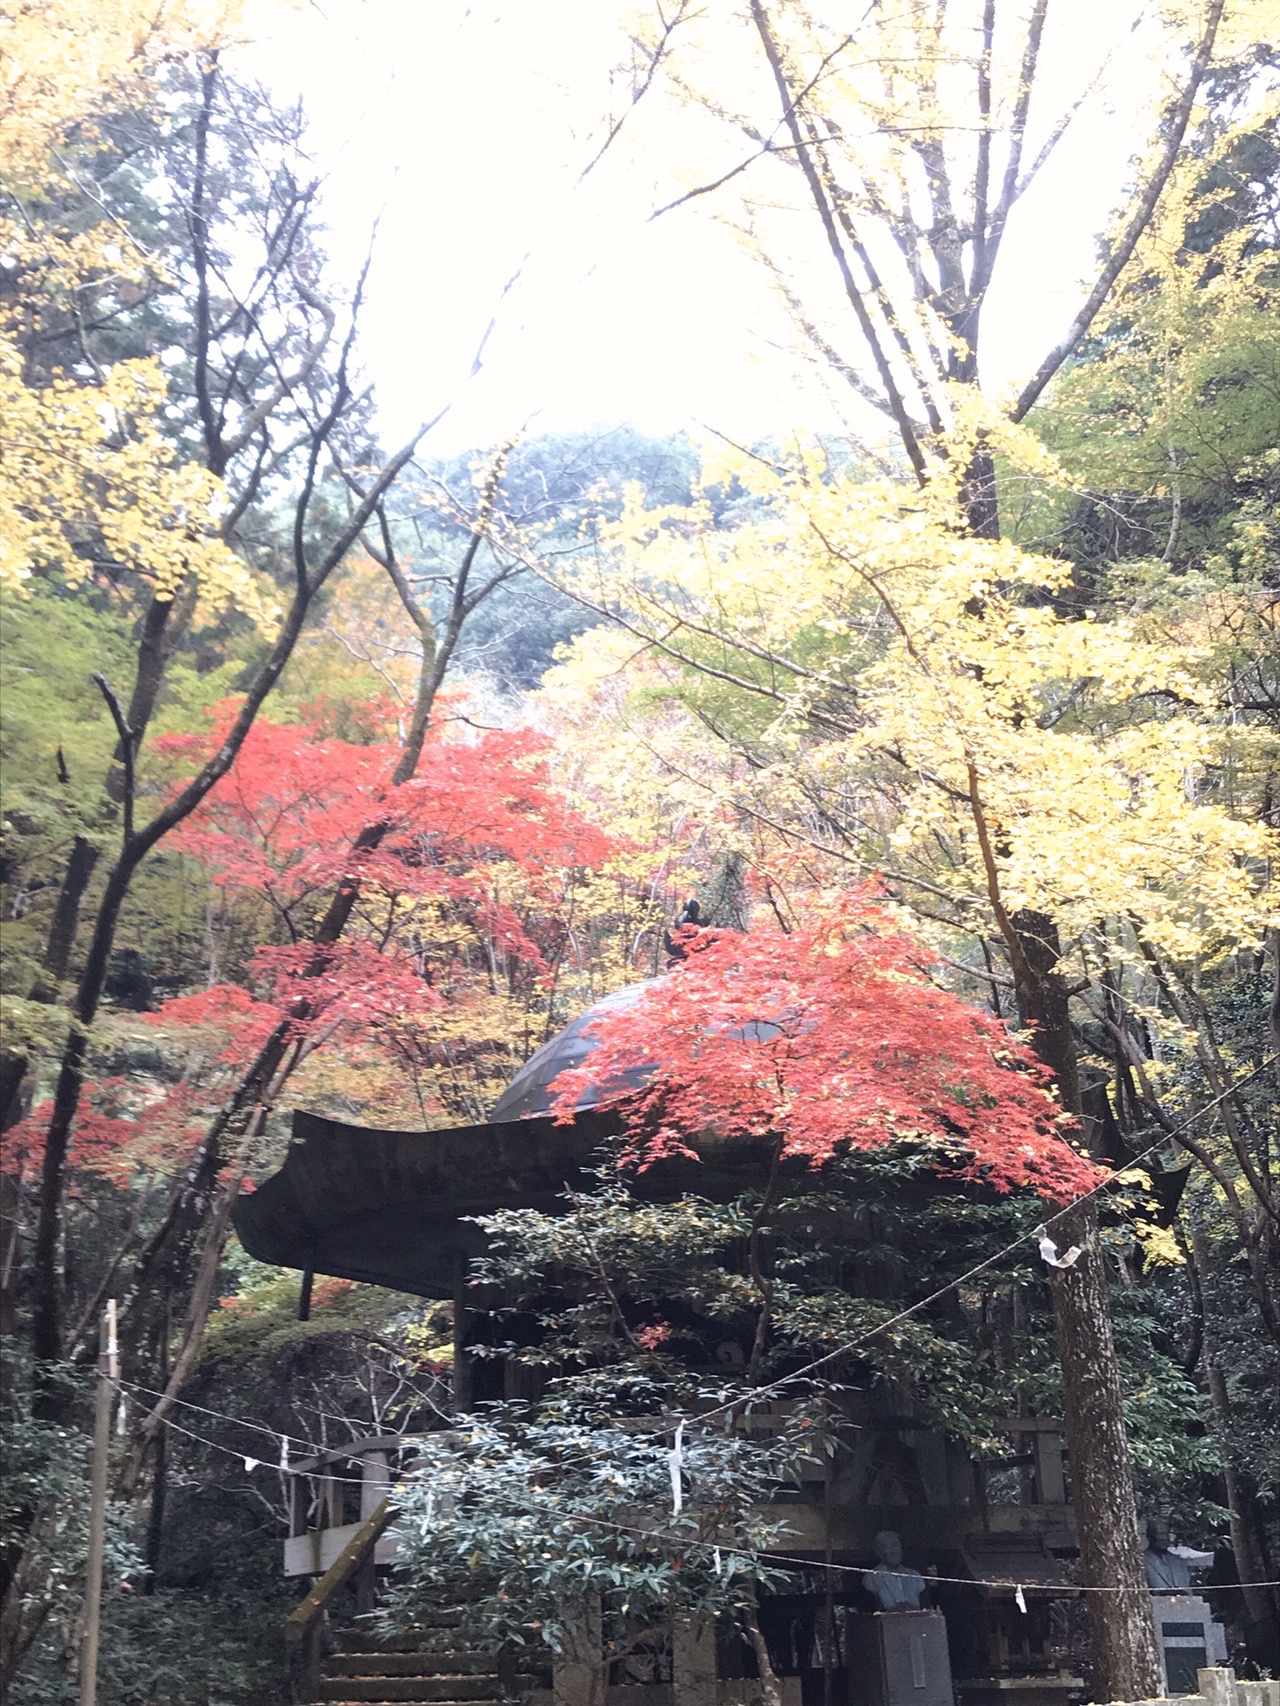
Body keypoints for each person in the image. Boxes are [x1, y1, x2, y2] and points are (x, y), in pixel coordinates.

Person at [864, 1530, 927, 1610]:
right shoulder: (871, 1577)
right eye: (887, 1547)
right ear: (879, 1552)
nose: (894, 1551)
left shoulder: (915, 1576)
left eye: (896, 1545)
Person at [1144, 1517, 1193, 1591]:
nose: (1164, 1538)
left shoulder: (1177, 1561)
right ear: (1150, 1536)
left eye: (1166, 1534)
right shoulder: (1142, 1560)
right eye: (1160, 1534)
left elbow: (1186, 1588)